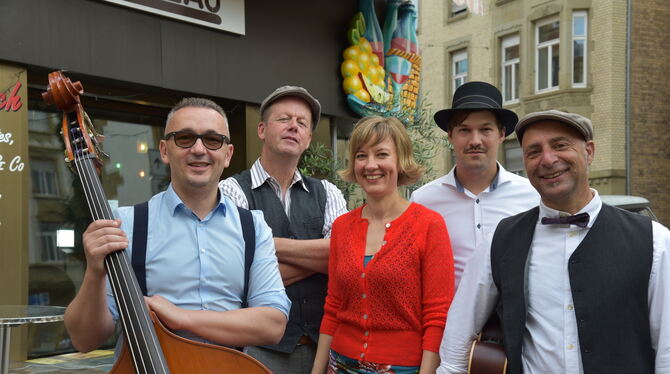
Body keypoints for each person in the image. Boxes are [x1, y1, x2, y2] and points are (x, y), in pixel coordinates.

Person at [437, 110, 670, 373]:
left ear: (589, 152)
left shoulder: (654, 241)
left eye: (560, 145)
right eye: (534, 152)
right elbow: (457, 340)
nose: (547, 159)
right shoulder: (501, 240)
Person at [64, 98, 291, 354]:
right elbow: (85, 340)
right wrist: (94, 274)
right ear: (164, 150)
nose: (198, 149)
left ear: (227, 155)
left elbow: (273, 325)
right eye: (184, 138)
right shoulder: (125, 224)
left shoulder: (253, 226)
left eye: (212, 140)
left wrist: (181, 317)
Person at [312, 116, 455, 374]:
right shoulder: (342, 227)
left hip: (402, 367)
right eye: (361, 156)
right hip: (340, 363)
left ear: (400, 160)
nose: (370, 165)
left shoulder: (429, 225)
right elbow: (333, 307)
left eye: (381, 154)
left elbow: (437, 317)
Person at [219, 86, 347, 373]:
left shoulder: (328, 192)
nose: (293, 127)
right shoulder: (230, 191)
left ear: (309, 139)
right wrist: (321, 260)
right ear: (262, 129)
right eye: (284, 119)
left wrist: (260, 245)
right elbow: (234, 274)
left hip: (324, 349)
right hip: (259, 350)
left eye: (302, 123)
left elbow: (345, 257)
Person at [410, 81, 539, 288]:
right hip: (448, 318)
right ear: (450, 136)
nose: (475, 140)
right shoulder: (424, 200)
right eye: (464, 130)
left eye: (485, 129)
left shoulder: (532, 196)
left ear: (502, 134)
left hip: (513, 318)